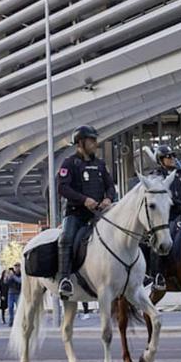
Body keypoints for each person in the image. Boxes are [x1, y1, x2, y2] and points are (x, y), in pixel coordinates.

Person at [57, 125, 116, 298]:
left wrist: (108, 198)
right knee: (66, 239)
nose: (95, 144)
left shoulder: (100, 164)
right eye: (91, 140)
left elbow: (110, 186)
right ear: (80, 143)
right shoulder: (69, 163)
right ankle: (65, 280)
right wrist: (84, 200)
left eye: (95, 140)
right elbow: (63, 188)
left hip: (99, 214)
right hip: (76, 214)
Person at [146, 145, 181, 291]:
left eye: (173, 156)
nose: (172, 159)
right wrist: (179, 203)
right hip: (166, 217)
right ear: (161, 160)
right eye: (168, 156)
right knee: (163, 238)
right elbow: (162, 198)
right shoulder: (156, 176)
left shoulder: (178, 175)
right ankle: (158, 275)